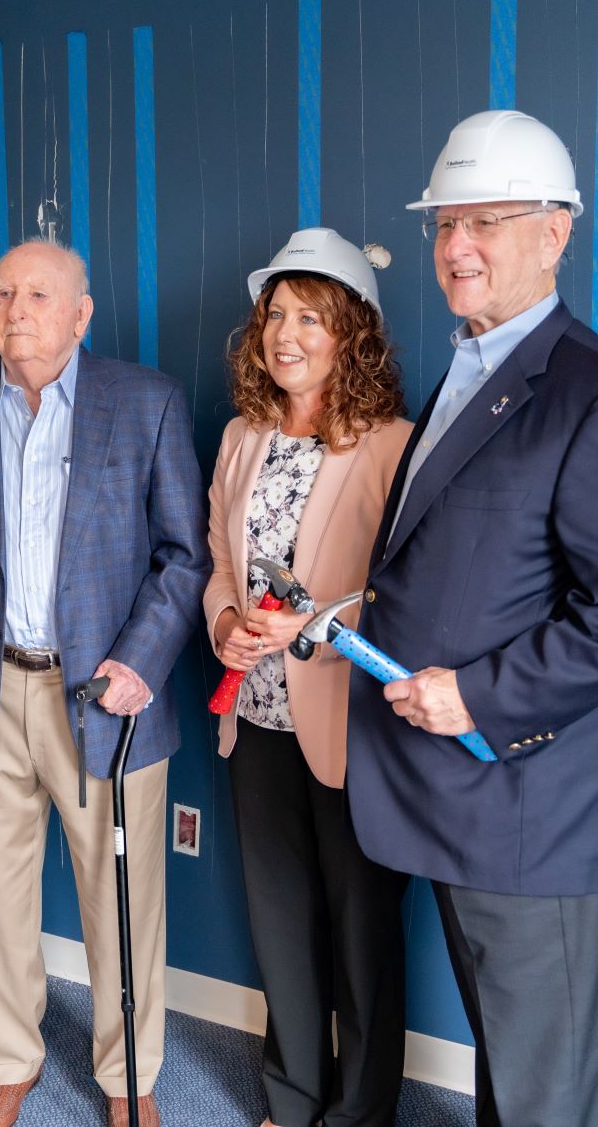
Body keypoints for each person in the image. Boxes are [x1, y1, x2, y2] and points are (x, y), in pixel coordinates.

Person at [347, 111, 598, 1126]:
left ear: (556, 233)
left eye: (486, 221)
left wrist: (476, 693)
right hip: (460, 799)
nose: (456, 247)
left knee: (546, 1098)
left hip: (536, 809)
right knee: (515, 1074)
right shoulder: (469, 367)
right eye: (444, 222)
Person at [0, 239, 208, 1127]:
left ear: (80, 313)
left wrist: (139, 660)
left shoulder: (144, 402)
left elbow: (186, 558)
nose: (15, 310)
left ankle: (126, 1078)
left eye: (36, 294)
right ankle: (9, 1060)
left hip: (104, 700)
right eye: (2, 294)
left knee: (123, 900)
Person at [203, 228, 414, 1127]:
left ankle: (359, 1116)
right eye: (276, 315)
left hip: (350, 727)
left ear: (351, 334)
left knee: (361, 933)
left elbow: (405, 593)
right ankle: (293, 1103)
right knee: (281, 923)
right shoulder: (240, 437)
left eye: (311, 318)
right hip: (252, 720)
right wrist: (224, 626)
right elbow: (220, 560)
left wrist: (310, 632)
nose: (286, 334)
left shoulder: (392, 445)